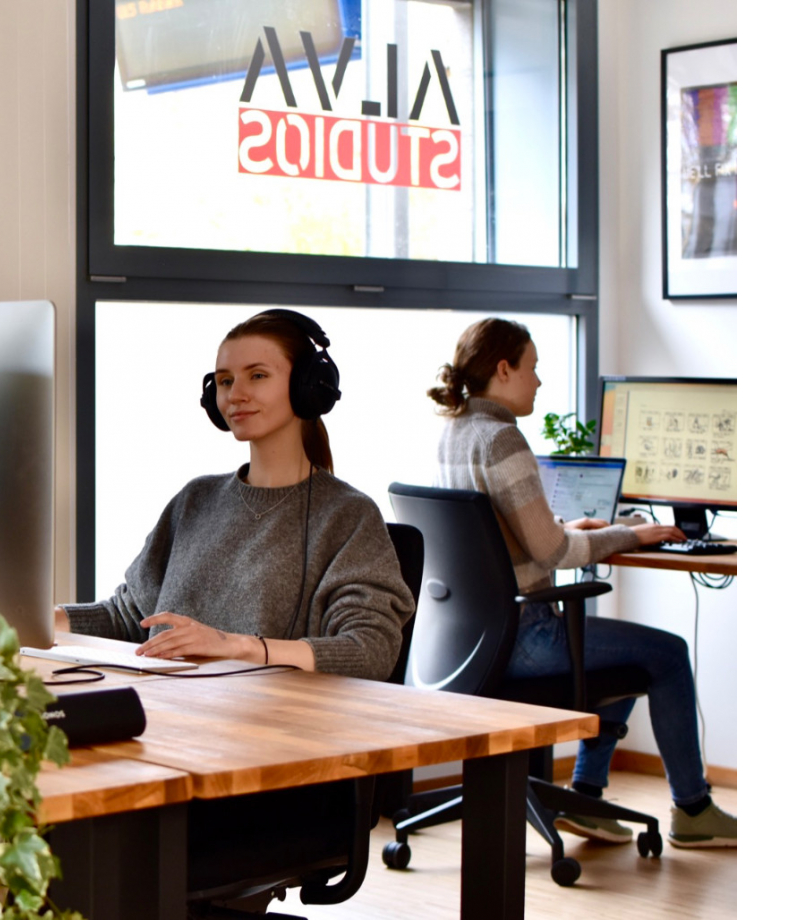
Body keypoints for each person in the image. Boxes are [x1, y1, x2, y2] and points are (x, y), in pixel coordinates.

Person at [429, 317, 736, 848]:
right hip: (526, 637)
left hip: (471, 640)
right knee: (665, 654)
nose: (540, 382)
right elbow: (553, 553)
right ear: (504, 369)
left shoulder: (455, 431)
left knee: (623, 657)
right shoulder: (503, 438)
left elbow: (505, 538)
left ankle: (588, 798)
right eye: (533, 369)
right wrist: (627, 536)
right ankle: (693, 809)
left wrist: (572, 528)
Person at [57, 310, 414, 680]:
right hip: (172, 709)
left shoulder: (347, 515)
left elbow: (369, 650)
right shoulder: (195, 499)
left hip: (274, 725)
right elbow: (131, 617)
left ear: (308, 385)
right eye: (225, 381)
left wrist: (238, 646)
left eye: (257, 376)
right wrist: (30, 617)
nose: (236, 395)